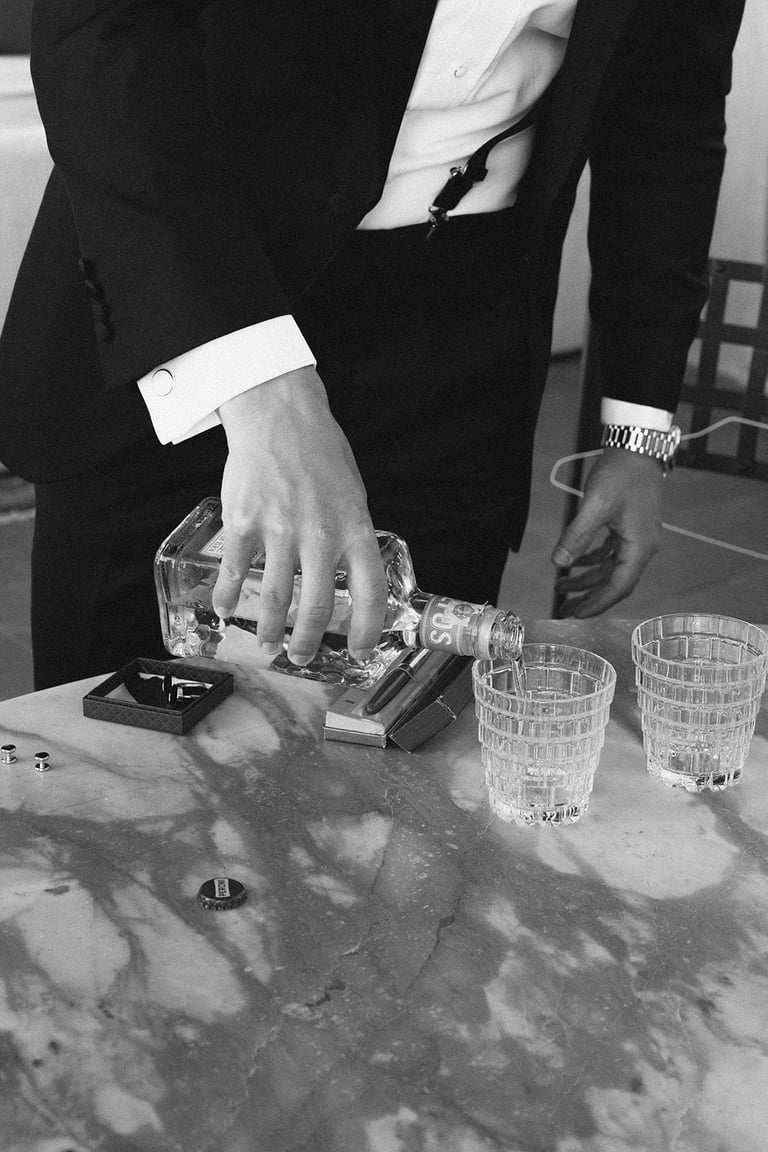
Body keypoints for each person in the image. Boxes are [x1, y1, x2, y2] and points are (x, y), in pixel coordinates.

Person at [0, 0, 745, 688]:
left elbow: (669, 117)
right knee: (118, 735)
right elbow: (102, 35)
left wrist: (637, 431)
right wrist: (254, 378)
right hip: (182, 295)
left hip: (460, 349)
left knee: (405, 739)